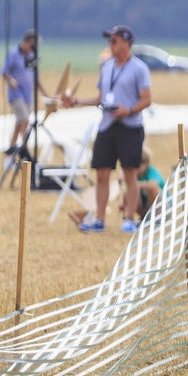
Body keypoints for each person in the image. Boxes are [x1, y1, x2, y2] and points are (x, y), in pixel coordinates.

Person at [60, 25, 152, 233]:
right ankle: (99, 218)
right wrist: (75, 101)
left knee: (129, 173)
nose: (110, 44)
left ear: (127, 43)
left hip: (130, 127)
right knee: (101, 173)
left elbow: (147, 99)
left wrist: (128, 110)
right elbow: (100, 98)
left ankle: (129, 218)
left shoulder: (139, 68)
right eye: (110, 41)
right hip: (107, 125)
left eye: (114, 41)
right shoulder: (107, 67)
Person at [0, 29, 43, 158]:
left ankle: (12, 145)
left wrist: (45, 93)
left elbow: (36, 77)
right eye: (32, 45)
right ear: (26, 42)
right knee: (25, 119)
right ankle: (24, 147)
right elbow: (4, 71)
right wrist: (10, 80)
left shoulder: (32, 56)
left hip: (27, 95)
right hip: (16, 94)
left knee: (20, 121)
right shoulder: (13, 54)